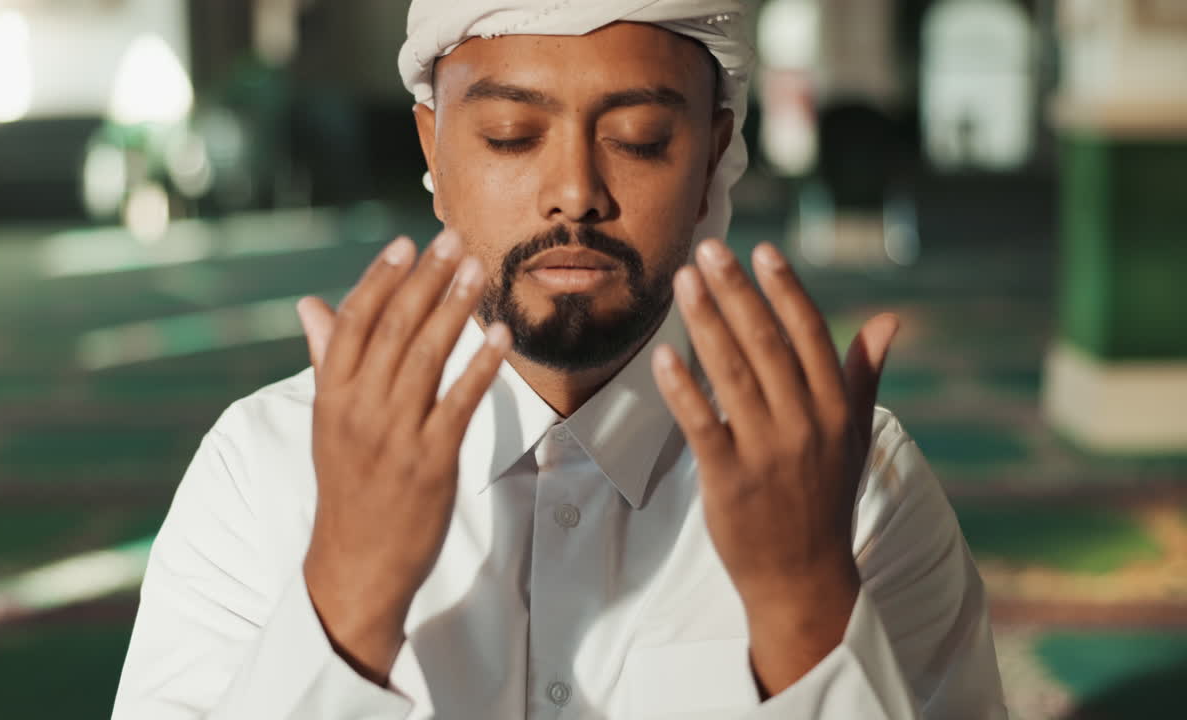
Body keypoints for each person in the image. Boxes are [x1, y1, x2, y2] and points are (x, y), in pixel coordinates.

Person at [112, 1, 1006, 718]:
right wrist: (349, 593)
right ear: (433, 150)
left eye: (642, 139)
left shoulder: (852, 481)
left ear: (712, 160)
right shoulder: (268, 467)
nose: (574, 192)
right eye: (510, 134)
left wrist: (805, 606)